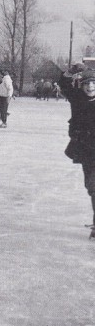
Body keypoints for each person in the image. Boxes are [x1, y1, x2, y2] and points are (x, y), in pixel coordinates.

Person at [59, 64, 95, 240]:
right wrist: (71, 72)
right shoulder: (78, 98)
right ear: (82, 85)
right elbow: (64, 85)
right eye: (87, 83)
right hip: (86, 150)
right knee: (91, 186)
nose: (90, 87)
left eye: (93, 83)